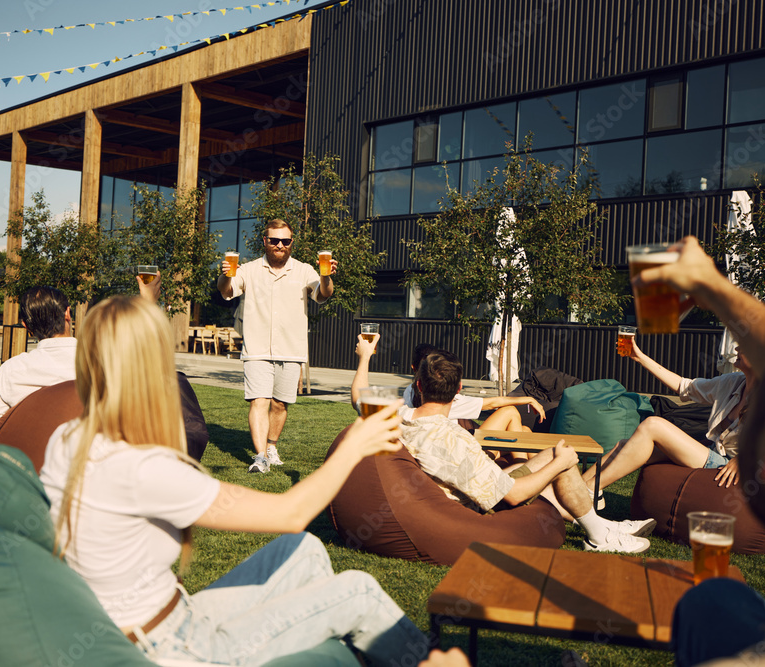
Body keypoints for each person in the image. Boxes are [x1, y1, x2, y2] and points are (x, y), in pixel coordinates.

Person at [38, 294, 430, 666]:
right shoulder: (140, 465)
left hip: (170, 615)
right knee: (357, 592)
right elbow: (290, 512)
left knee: (303, 549)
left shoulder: (68, 437)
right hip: (170, 648)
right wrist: (355, 444)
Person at [634, 237, 765, 665]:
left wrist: (710, 286)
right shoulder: (730, 384)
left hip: (721, 465)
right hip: (711, 459)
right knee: (714, 596)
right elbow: (686, 387)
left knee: (655, 426)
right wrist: (712, 287)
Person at [352, 341, 655, 553]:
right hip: (480, 502)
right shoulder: (455, 440)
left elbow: (359, 398)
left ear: (417, 385)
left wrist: (365, 356)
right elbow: (513, 495)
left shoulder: (398, 415)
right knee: (561, 460)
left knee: (555, 453)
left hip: (463, 483)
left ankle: (602, 526)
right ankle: (601, 535)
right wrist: (560, 464)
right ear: (458, 390)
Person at [217, 219, 335, 473]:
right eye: (274, 240)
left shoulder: (305, 270)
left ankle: (271, 446)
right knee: (259, 400)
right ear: (265, 242)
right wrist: (224, 275)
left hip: (291, 351)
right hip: (257, 349)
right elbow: (226, 291)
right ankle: (260, 457)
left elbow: (324, 294)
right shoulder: (247, 269)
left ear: (292, 242)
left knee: (280, 404)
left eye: (285, 241)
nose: (280, 245)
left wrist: (325, 276)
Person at [582, 337, 754, 498]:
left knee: (653, 425)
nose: (736, 348)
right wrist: (639, 357)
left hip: (726, 467)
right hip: (712, 452)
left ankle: (590, 491)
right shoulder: (733, 382)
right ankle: (578, 488)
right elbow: (684, 386)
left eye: (744, 346)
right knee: (624, 444)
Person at [0, 286, 77, 436]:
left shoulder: (11, 370)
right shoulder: (104, 363)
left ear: (26, 326)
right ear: (67, 313)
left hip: (29, 455)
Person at [402, 342, 546, 431]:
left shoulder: (408, 396)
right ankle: (524, 468)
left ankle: (524, 466)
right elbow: (492, 403)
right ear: (458, 388)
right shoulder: (447, 402)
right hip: (466, 451)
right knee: (510, 412)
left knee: (525, 430)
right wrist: (529, 399)